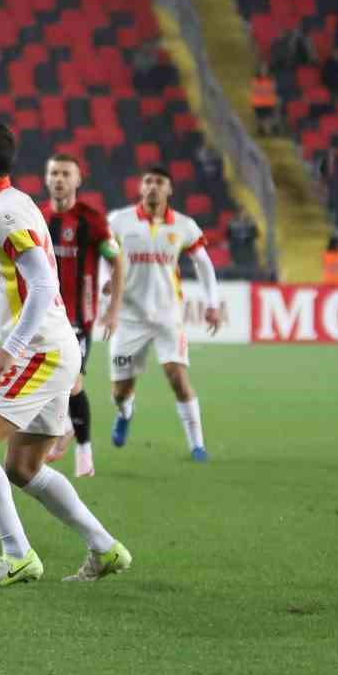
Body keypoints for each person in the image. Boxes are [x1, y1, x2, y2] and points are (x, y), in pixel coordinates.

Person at [0, 122, 132, 588]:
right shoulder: (8, 205)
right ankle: (106, 549)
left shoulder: (5, 215)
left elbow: (46, 284)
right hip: (54, 347)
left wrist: (11, 349)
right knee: (23, 467)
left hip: (39, 352)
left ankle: (17, 555)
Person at [104, 167, 222, 463]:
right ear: (140, 188)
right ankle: (125, 412)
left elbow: (203, 264)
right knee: (121, 390)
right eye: (148, 181)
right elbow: (102, 253)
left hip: (168, 315)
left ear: (170, 190)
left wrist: (212, 303)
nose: (153, 187)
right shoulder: (119, 221)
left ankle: (197, 445)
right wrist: (106, 281)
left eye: (159, 182)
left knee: (177, 377)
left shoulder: (184, 225)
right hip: (129, 318)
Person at [38, 154, 123, 479]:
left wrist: (113, 308)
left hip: (78, 318)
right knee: (55, 383)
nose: (59, 179)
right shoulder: (38, 217)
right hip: (43, 317)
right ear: (47, 179)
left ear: (77, 180)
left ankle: (83, 452)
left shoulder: (92, 220)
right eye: (54, 173)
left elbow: (117, 262)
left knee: (72, 383)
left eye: (65, 174)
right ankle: (60, 431)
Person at [250, 62, 280, 135]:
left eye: (265, 70)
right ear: (259, 70)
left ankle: (272, 131)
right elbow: (256, 89)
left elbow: (273, 89)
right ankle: (261, 131)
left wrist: (263, 90)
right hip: (258, 103)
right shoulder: (255, 80)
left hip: (269, 102)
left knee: (271, 117)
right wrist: (265, 90)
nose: (264, 71)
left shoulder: (271, 79)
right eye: (262, 69)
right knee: (260, 118)